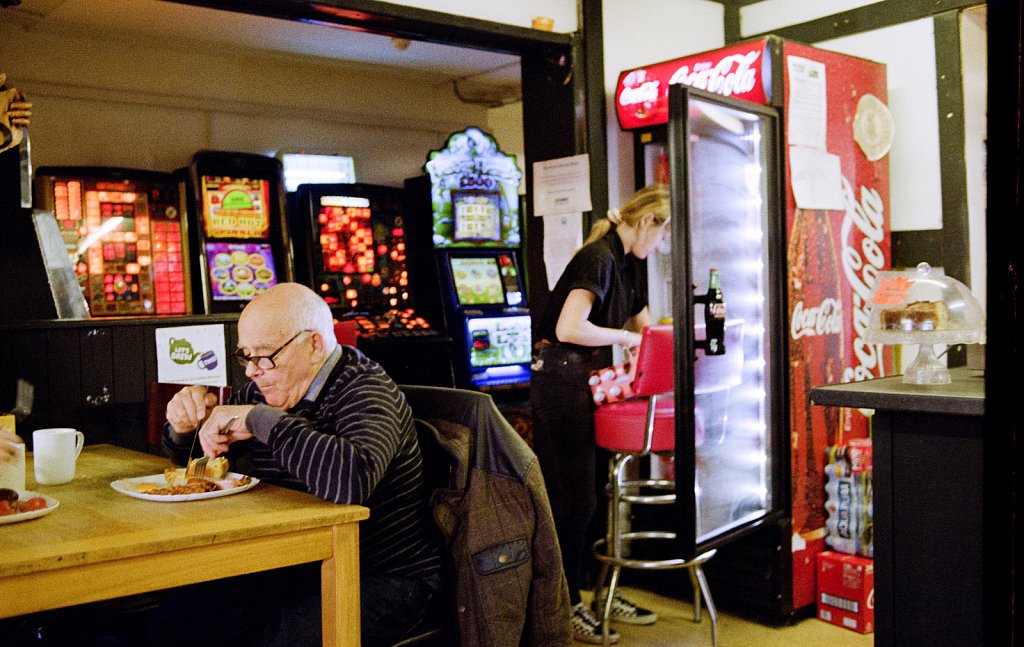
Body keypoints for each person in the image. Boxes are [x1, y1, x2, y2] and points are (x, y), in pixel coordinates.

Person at [157, 283, 444, 647]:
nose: (252, 372)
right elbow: (207, 466)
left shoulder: (367, 390)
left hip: (382, 576)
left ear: (314, 346)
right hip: (291, 566)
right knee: (175, 623)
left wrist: (260, 421)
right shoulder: (266, 387)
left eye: (265, 355)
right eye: (245, 356)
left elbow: (350, 482)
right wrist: (186, 430)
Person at [530, 184, 671, 645]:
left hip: (586, 383)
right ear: (649, 221)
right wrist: (626, 341)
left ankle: (600, 595)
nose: (663, 244)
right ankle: (565, 605)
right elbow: (569, 327)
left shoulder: (629, 263)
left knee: (594, 494)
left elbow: (647, 326)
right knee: (574, 501)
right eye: (664, 232)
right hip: (561, 381)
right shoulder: (599, 258)